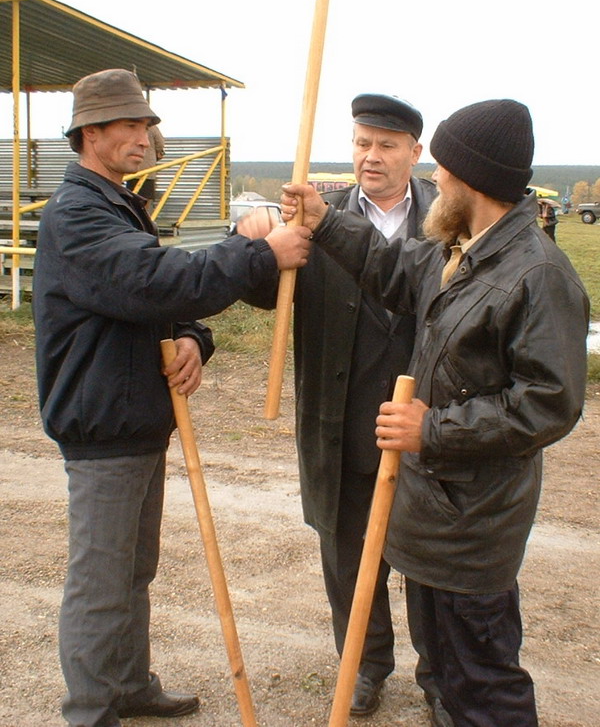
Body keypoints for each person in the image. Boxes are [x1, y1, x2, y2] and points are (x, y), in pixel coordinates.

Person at [279, 98, 589, 726]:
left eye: (443, 165)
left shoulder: (537, 274)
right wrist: (325, 220)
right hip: (435, 512)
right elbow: (392, 269)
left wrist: (432, 428)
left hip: (473, 522)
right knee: (447, 671)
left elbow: (549, 404)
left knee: (481, 681)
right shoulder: (460, 252)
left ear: (470, 178)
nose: (436, 177)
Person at [32, 68, 311, 727]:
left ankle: (127, 686)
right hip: (102, 424)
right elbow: (151, 279)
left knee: (132, 571)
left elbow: (143, 298)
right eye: (129, 126)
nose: (144, 136)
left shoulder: (117, 202)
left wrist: (188, 336)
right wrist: (260, 255)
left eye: (147, 125)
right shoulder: (78, 213)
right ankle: (91, 712)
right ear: (91, 134)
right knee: (101, 584)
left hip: (132, 417)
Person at [241, 94, 447, 722]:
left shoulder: (450, 225)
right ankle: (363, 664)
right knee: (346, 556)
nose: (371, 157)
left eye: (387, 145)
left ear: (416, 153)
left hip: (425, 428)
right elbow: (263, 293)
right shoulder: (307, 220)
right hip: (340, 420)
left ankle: (442, 675)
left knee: (430, 560)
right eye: (361, 143)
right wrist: (254, 241)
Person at [125, 123, 165, 208]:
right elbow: (160, 143)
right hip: (147, 171)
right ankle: (145, 219)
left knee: (131, 197)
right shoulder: (152, 127)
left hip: (131, 170)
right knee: (146, 199)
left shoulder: (128, 125)